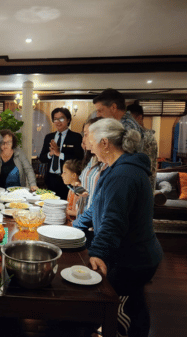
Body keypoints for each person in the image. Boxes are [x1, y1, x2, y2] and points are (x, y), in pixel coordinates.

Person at [73, 118, 163, 337]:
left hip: (134, 257)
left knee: (113, 305)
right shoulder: (115, 169)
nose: (89, 145)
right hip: (137, 253)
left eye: (91, 139)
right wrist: (75, 228)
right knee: (135, 303)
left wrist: (99, 252)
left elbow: (114, 220)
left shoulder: (124, 175)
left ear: (105, 143)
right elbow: (95, 208)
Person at [94, 90, 157, 190]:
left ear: (113, 107)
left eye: (100, 110)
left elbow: (125, 162)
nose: (97, 115)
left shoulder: (127, 127)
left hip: (131, 185)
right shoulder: (123, 123)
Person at [39, 107, 83, 200]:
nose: (58, 122)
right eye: (55, 119)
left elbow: (79, 158)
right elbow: (42, 158)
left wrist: (59, 154)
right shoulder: (49, 137)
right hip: (50, 179)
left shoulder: (76, 137)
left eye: (61, 118)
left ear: (68, 120)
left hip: (67, 180)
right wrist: (50, 154)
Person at [77, 117, 107, 216]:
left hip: (94, 221)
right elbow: (84, 187)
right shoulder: (92, 159)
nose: (84, 140)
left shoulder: (106, 163)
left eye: (86, 135)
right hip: (84, 216)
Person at [127, 101, 158, 190]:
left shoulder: (145, 136)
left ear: (139, 117)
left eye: (131, 119)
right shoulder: (147, 135)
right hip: (145, 182)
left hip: (143, 182)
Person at [61, 159, 84, 224]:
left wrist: (67, 212)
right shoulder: (71, 188)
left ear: (74, 175)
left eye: (64, 172)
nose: (62, 175)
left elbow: (83, 213)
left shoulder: (80, 190)